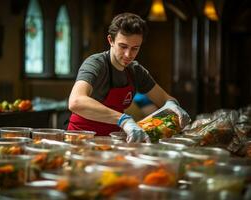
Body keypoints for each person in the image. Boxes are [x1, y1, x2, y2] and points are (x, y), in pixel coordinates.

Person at [67, 12, 190, 143]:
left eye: (135, 48)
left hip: (113, 141)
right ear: (111, 40)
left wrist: (173, 106)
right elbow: (76, 102)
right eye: (123, 46)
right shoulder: (95, 64)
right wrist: (123, 119)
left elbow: (165, 99)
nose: (128, 55)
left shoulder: (136, 71)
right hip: (81, 140)